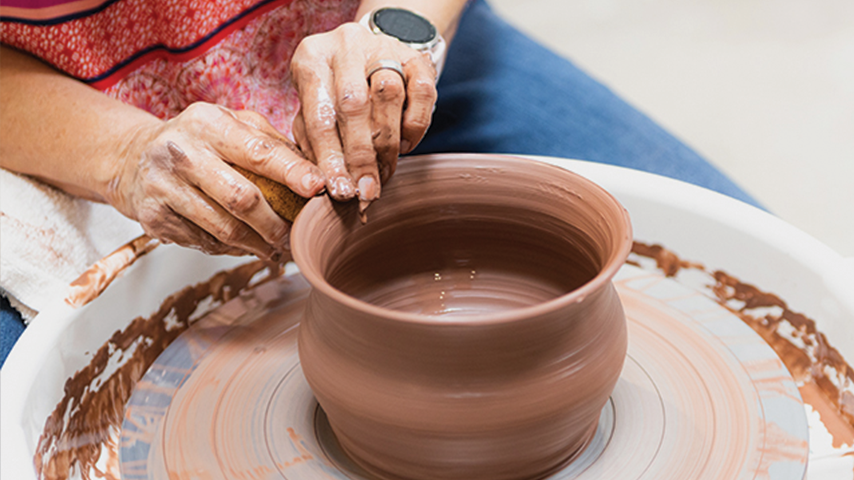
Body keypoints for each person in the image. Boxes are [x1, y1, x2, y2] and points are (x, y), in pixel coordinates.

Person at [0, 0, 760, 366]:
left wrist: (400, 33)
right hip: (61, 107)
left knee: (744, 276)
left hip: (358, 41)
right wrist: (124, 153)